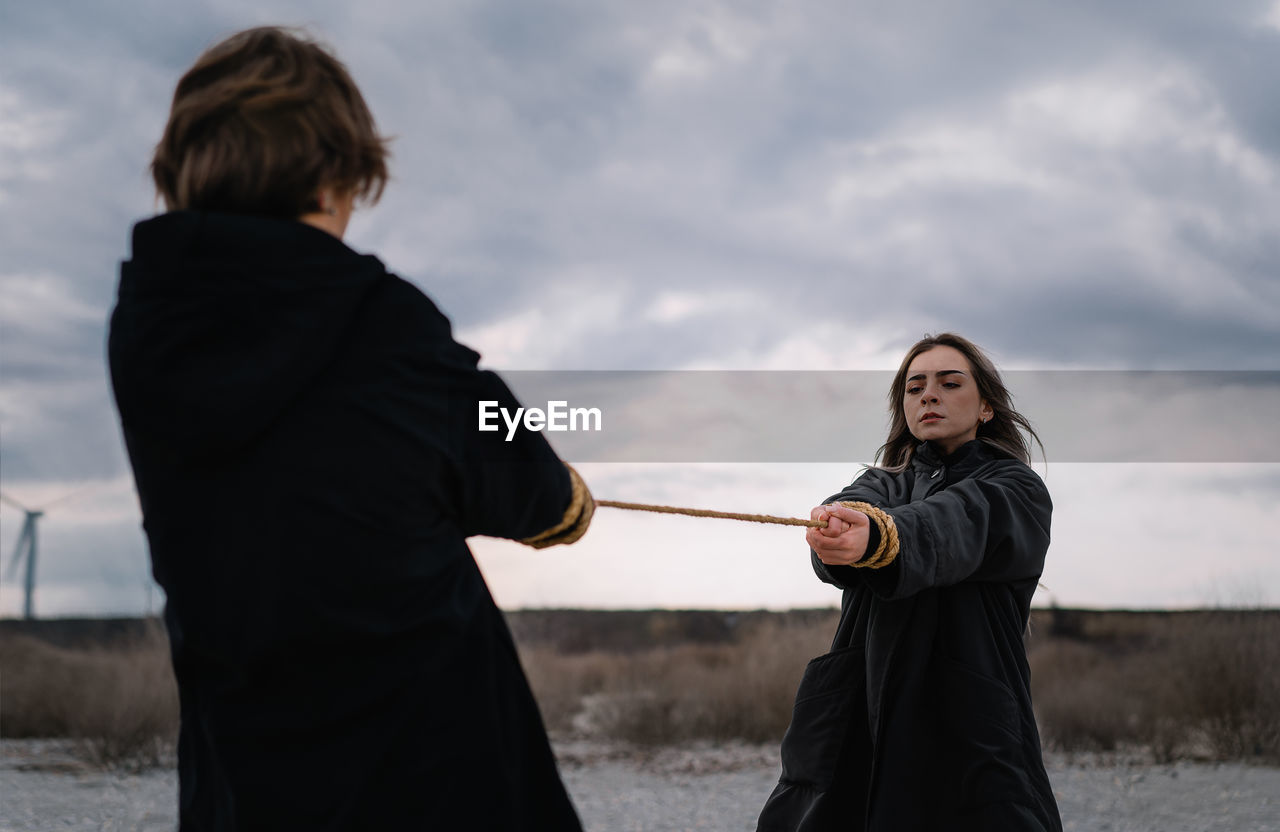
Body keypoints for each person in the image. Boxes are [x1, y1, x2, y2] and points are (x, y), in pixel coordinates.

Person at [108, 27, 591, 831]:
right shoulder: (381, 321)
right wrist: (573, 499)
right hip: (427, 776)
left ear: (183, 164)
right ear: (335, 173)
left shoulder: (142, 332)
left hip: (242, 781)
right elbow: (536, 494)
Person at [756, 333, 1062, 832]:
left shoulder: (1016, 490)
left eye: (949, 382)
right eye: (915, 386)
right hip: (859, 716)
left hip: (967, 723)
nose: (929, 395)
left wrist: (883, 535)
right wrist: (840, 528)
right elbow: (852, 510)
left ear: (986, 406)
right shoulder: (880, 485)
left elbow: (959, 521)